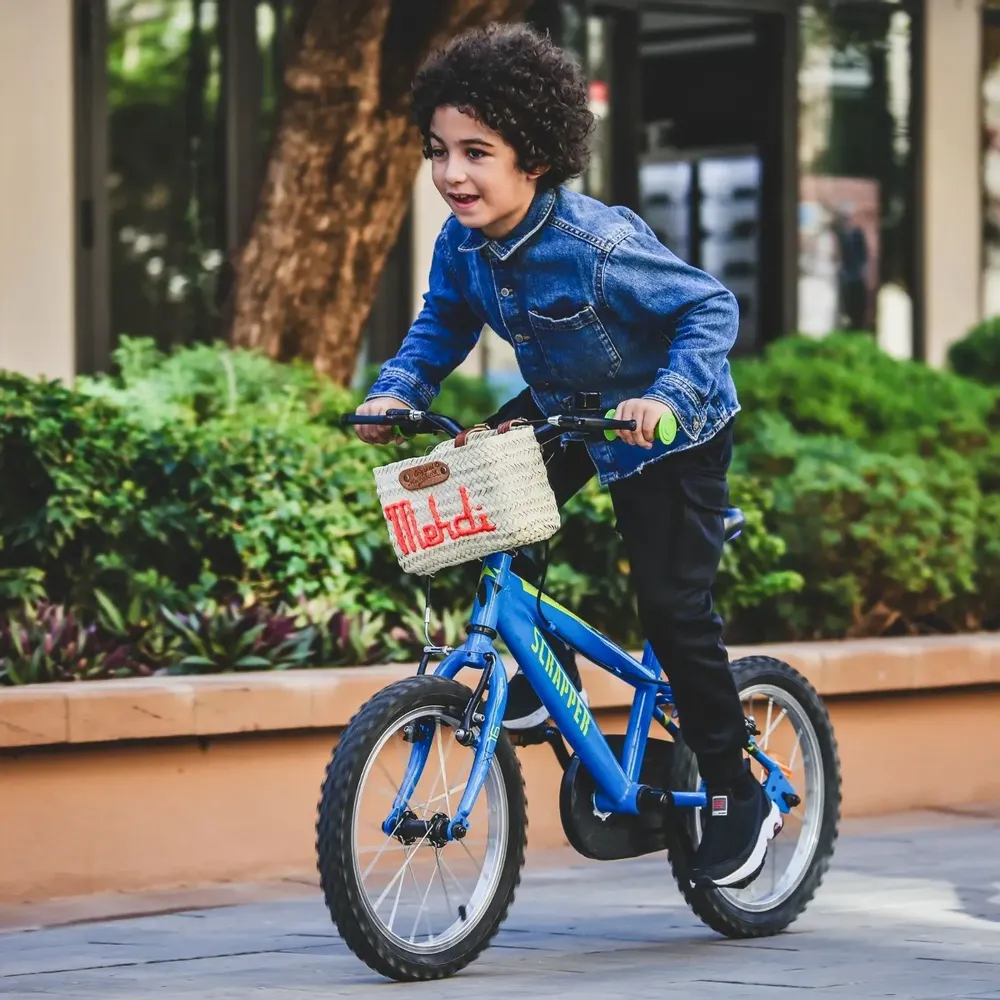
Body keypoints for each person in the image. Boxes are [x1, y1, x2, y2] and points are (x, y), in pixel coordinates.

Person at [353, 23, 780, 889]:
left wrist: (663, 399)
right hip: (566, 412)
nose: (452, 174)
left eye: (478, 152)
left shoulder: (596, 244)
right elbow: (441, 323)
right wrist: (400, 390)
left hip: (667, 430)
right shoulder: (462, 243)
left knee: (673, 609)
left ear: (535, 156)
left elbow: (710, 308)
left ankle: (737, 790)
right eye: (438, 151)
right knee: (476, 515)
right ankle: (554, 694)